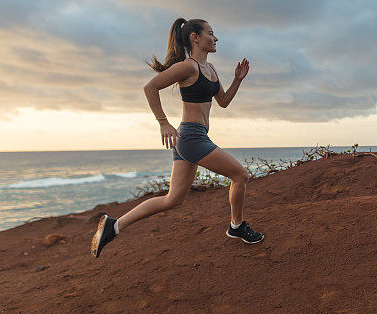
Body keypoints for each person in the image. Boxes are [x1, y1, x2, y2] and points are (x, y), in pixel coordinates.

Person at [91, 18, 263, 258]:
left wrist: (238, 79)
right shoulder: (188, 67)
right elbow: (150, 87)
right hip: (191, 137)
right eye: (211, 34)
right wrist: (163, 122)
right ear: (195, 37)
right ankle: (237, 226)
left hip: (195, 136)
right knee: (240, 175)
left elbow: (222, 102)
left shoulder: (210, 69)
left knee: (172, 199)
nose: (216, 38)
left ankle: (115, 225)